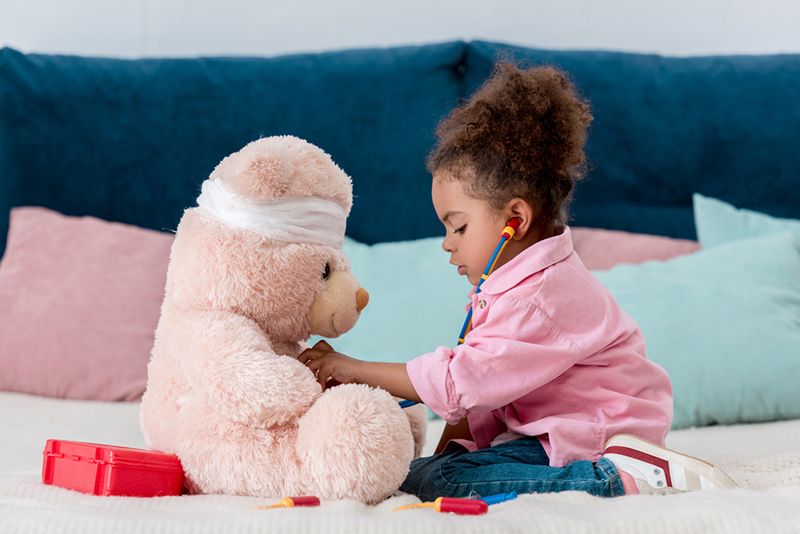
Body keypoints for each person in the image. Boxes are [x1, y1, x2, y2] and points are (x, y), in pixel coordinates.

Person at [300, 60, 737, 499]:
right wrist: (445, 458)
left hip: (598, 440)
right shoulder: (511, 285)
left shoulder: (537, 297)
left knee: (439, 482)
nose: (447, 245)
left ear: (516, 219)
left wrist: (349, 368)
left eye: (458, 227)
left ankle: (623, 481)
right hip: (556, 434)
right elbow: (473, 398)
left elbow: (458, 384)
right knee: (422, 475)